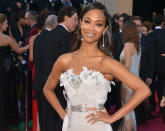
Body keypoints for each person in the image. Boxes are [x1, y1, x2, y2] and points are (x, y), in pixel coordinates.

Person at [43, 2, 151, 131]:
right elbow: (47, 89)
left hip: (97, 126)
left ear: (104, 29)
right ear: (81, 22)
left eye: (98, 24)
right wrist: (63, 115)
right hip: (71, 125)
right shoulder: (65, 60)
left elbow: (144, 90)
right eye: (87, 21)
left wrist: (113, 117)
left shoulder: (106, 62)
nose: (91, 28)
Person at [34, 6, 78, 131]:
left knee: (45, 123)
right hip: (56, 90)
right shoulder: (66, 37)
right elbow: (67, 66)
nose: (77, 23)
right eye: (75, 19)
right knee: (56, 125)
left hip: (40, 86)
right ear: (66, 18)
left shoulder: (40, 37)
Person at [0, 13, 29, 131]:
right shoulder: (6, 38)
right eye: (6, 23)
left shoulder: (7, 36)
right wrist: (29, 44)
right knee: (7, 94)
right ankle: (8, 120)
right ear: (0, 24)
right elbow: (19, 50)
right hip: (5, 71)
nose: (7, 26)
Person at [119, 20, 141, 131]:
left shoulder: (128, 44)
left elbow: (127, 65)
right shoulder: (137, 45)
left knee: (126, 107)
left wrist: (117, 73)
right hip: (135, 80)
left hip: (127, 80)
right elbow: (138, 67)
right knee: (130, 107)